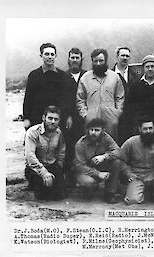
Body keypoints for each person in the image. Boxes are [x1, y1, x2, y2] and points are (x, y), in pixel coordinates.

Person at [119, 116, 154, 205]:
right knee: (133, 201)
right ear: (140, 129)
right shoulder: (131, 142)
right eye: (145, 129)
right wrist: (128, 173)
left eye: (150, 128)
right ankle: (141, 191)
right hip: (137, 176)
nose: (148, 131)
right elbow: (120, 159)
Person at [76, 48, 124, 142]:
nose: (98, 64)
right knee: (91, 144)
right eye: (95, 61)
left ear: (106, 61)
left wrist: (117, 113)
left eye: (101, 61)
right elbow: (80, 99)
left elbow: (120, 97)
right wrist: (85, 115)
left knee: (111, 144)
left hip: (111, 119)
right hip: (91, 119)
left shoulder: (114, 77)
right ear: (92, 61)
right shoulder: (85, 78)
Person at [23, 43, 71, 131]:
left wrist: (68, 116)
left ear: (55, 56)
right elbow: (28, 98)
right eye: (47, 54)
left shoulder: (62, 76)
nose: (50, 57)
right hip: (37, 117)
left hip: (58, 119)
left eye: (52, 54)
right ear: (41, 55)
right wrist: (26, 118)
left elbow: (67, 99)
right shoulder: (34, 75)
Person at [73, 118, 121, 203]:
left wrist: (104, 156)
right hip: (86, 172)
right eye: (91, 130)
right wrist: (98, 174)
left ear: (103, 130)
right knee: (88, 183)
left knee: (116, 163)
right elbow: (80, 166)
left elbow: (118, 151)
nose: (94, 133)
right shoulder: (80, 144)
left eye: (97, 130)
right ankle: (86, 188)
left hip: (101, 167)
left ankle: (109, 193)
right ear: (87, 130)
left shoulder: (106, 138)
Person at [24, 106, 67, 201]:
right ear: (44, 118)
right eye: (50, 118)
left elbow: (61, 152)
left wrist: (59, 168)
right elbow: (30, 156)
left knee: (60, 196)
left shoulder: (59, 133)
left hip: (52, 165)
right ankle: (34, 184)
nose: (53, 122)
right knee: (42, 196)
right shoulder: (32, 132)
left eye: (56, 119)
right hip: (35, 168)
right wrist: (44, 173)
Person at [125, 55, 154, 145]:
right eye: (147, 66)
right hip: (140, 123)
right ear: (143, 68)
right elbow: (130, 105)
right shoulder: (135, 84)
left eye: (152, 66)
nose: (150, 69)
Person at [63, 47, 87, 186]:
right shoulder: (64, 76)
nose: (75, 60)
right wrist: (68, 116)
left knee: (83, 145)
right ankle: (69, 177)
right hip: (69, 119)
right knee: (69, 146)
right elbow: (62, 99)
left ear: (81, 60)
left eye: (77, 57)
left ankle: (84, 176)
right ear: (68, 59)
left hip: (84, 117)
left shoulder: (87, 75)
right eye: (72, 57)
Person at [112, 46, 139, 146]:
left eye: (127, 56)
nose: (125, 58)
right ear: (117, 57)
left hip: (131, 116)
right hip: (115, 115)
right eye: (122, 55)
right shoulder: (109, 74)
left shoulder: (135, 76)